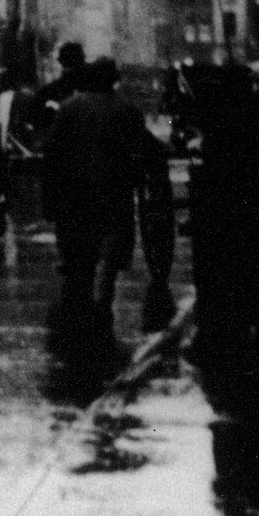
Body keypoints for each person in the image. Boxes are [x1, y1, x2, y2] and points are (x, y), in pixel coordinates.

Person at [41, 55, 173, 354]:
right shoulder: (127, 111)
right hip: (112, 196)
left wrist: (50, 202)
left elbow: (51, 155)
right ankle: (101, 305)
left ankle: (77, 317)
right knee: (109, 255)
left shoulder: (68, 109)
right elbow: (144, 148)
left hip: (72, 197)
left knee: (78, 261)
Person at [34, 41, 86, 141]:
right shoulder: (90, 91)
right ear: (83, 62)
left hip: (56, 149)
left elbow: (37, 127)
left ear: (61, 62)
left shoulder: (47, 91)